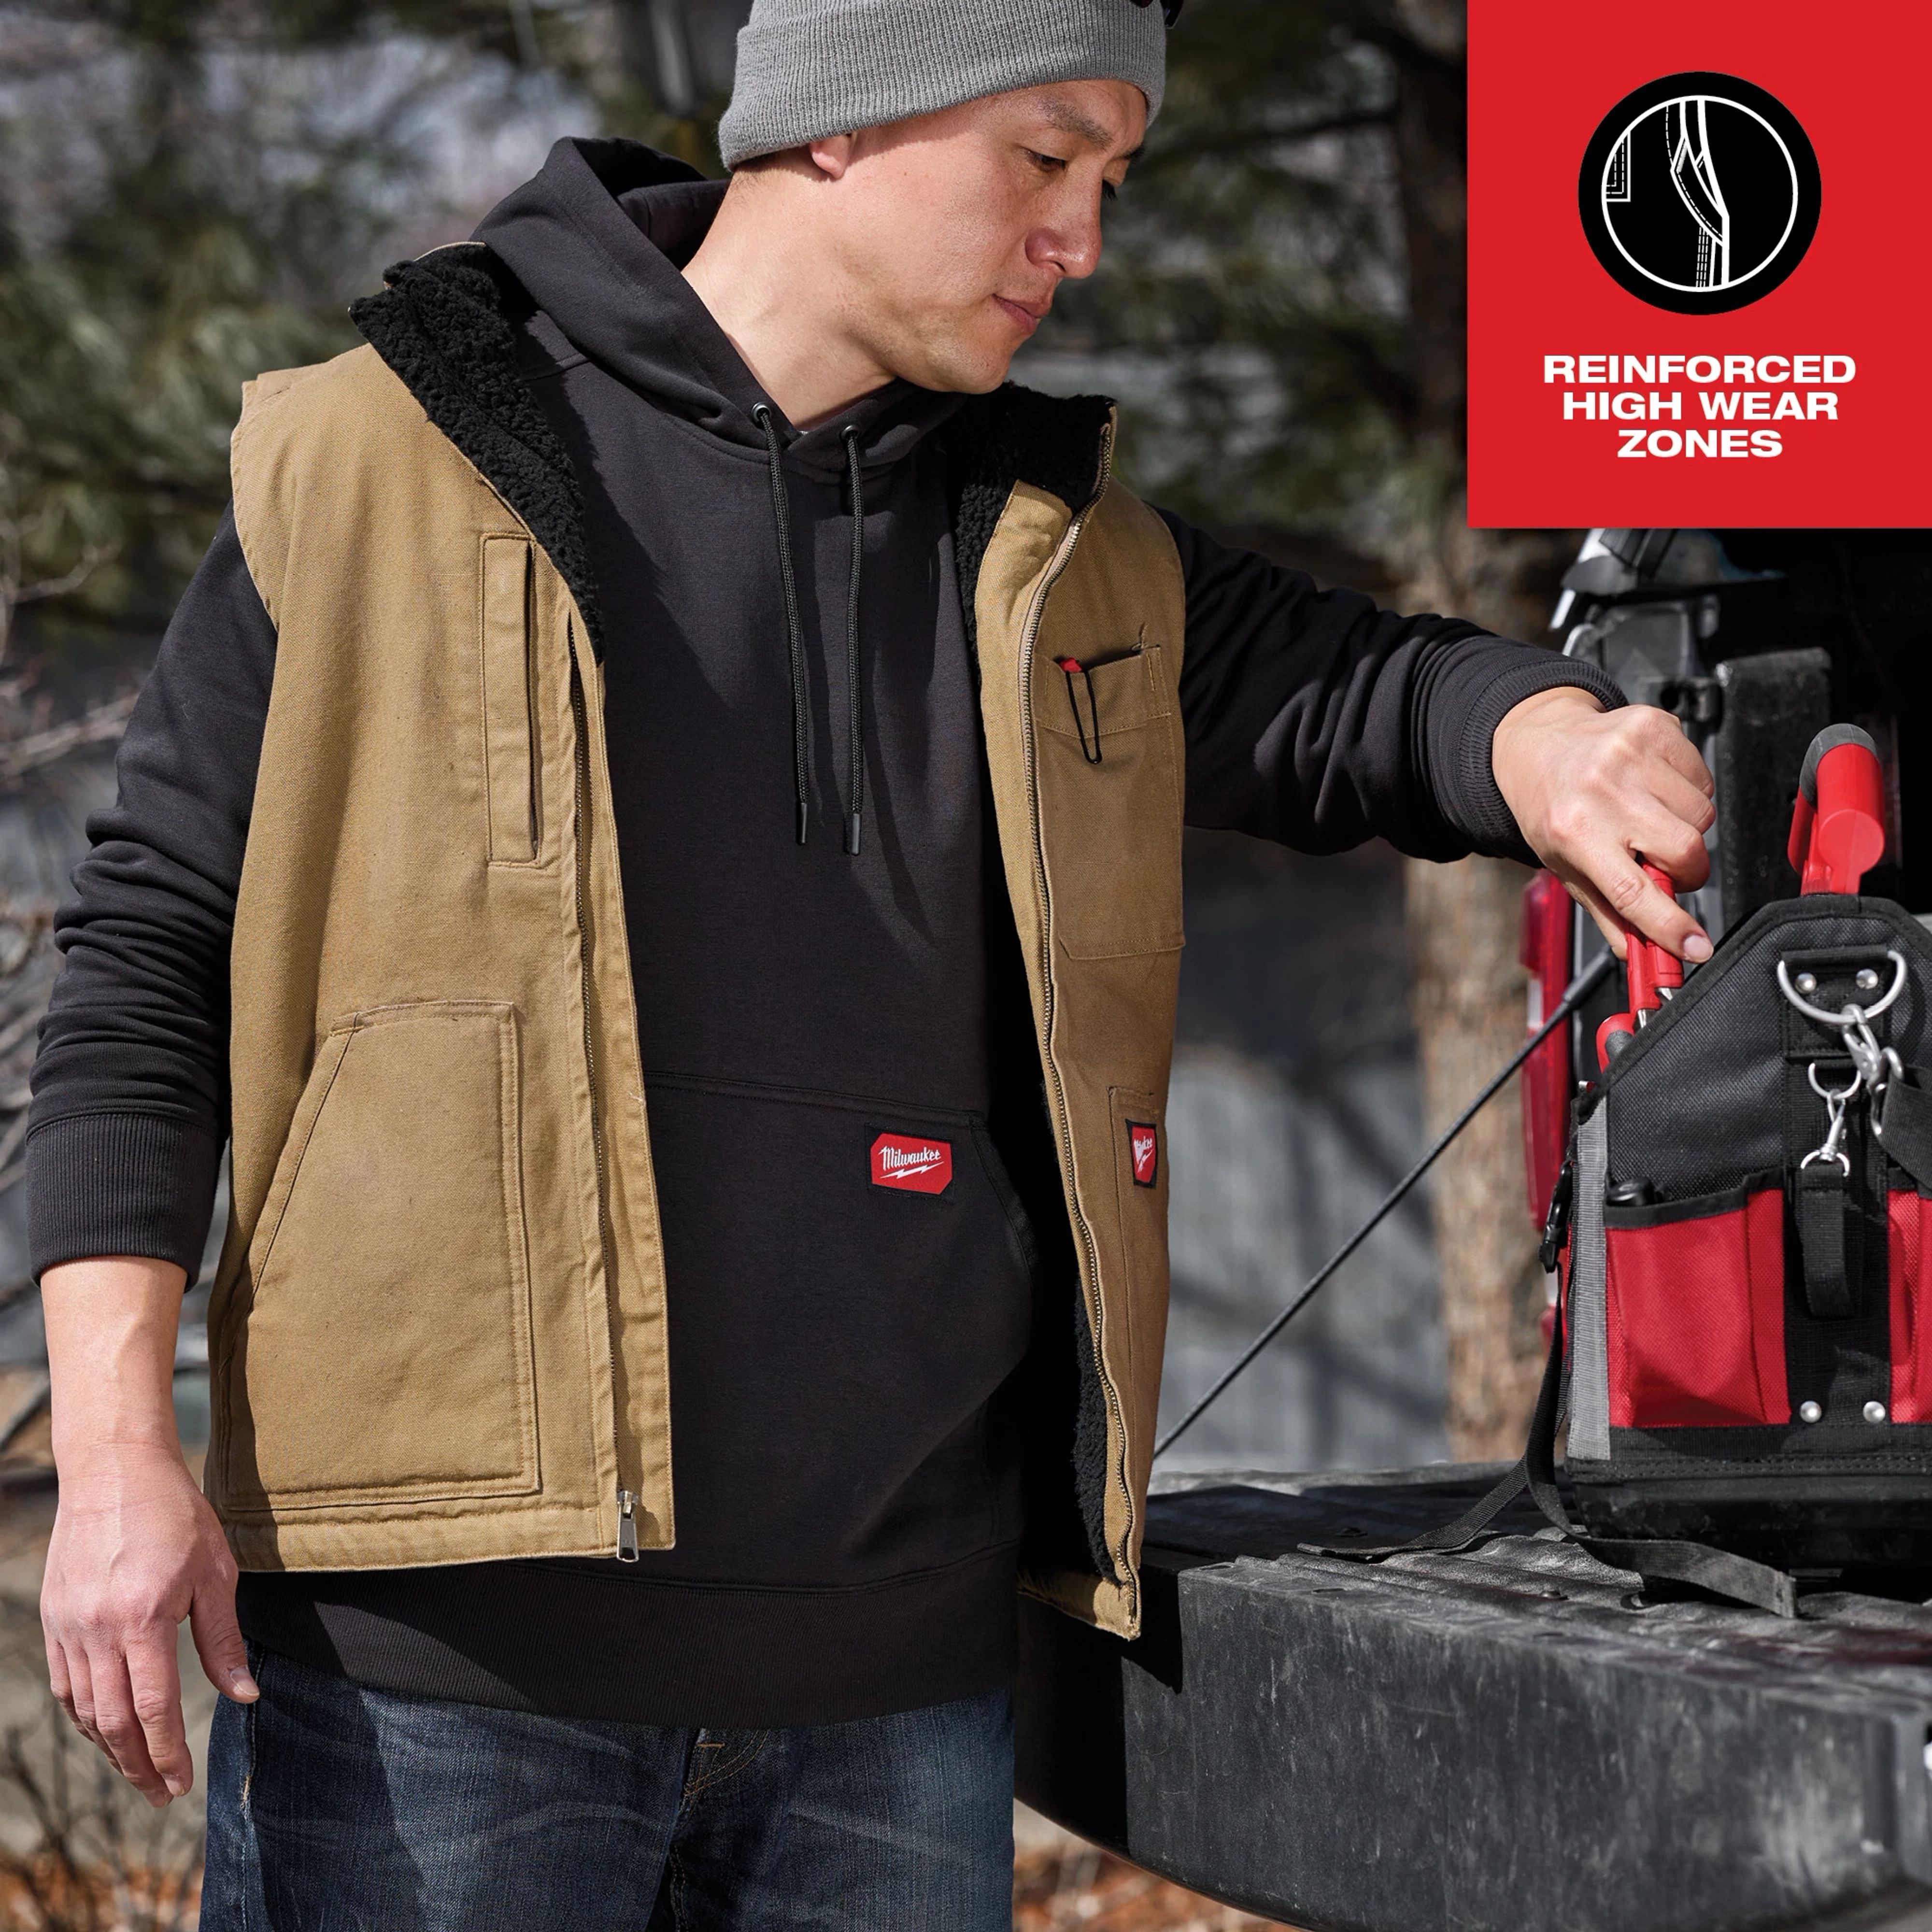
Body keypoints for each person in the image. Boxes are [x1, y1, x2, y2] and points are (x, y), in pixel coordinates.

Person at [25, 0, 1716, 1924]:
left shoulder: (1059, 552)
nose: (1079, 238)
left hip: (895, 1701)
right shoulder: (360, 463)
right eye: (1043, 156)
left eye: (1112, 182)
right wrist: (110, 1452)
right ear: (840, 122)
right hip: (440, 1687)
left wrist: (1557, 746)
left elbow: (1376, 693)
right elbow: (147, 970)